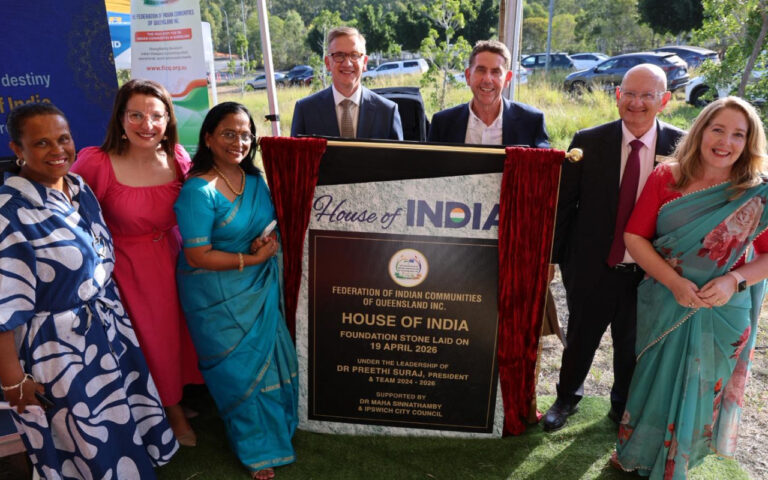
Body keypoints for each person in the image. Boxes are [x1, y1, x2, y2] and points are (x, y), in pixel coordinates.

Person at [0, 103, 177, 478]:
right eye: (42, 142)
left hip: (108, 327)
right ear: (18, 149)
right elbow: (3, 305)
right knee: (83, 435)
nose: (58, 150)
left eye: (63, 139)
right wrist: (13, 380)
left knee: (120, 420)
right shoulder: (9, 212)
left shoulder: (79, 189)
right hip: (58, 349)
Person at [613, 96, 768, 478]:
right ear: (700, 131)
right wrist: (675, 282)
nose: (726, 141)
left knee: (701, 388)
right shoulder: (667, 176)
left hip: (723, 310)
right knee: (654, 380)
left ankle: (679, 462)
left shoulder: (757, 192)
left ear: (748, 142)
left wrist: (734, 280)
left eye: (738, 134)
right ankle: (637, 454)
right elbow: (635, 237)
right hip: (665, 298)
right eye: (718, 129)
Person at [545, 64, 685, 431]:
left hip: (648, 272)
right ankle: (565, 399)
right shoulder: (588, 141)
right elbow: (564, 205)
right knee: (580, 339)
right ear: (617, 95)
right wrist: (557, 260)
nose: (636, 103)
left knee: (632, 345)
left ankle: (622, 405)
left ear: (664, 101)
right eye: (629, 94)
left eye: (647, 96)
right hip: (592, 266)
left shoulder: (682, 147)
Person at [71, 78, 204, 447]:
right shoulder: (96, 162)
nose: (147, 124)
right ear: (120, 119)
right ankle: (172, 413)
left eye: (156, 116)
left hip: (178, 259)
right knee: (154, 340)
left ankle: (175, 395)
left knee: (182, 334)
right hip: (130, 268)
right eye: (137, 115)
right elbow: (74, 218)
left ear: (168, 119)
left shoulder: (177, 157)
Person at [174, 102, 298, 480]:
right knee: (239, 373)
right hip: (214, 295)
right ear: (208, 138)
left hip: (258, 289)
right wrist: (252, 260)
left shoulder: (257, 181)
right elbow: (197, 255)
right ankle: (256, 449)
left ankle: (277, 431)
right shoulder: (199, 190)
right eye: (229, 133)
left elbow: (269, 225)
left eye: (246, 134)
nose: (239, 141)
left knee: (274, 361)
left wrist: (266, 248)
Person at [427, 40, 549, 148]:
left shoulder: (531, 122)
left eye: (496, 72)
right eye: (481, 70)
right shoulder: (442, 123)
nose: (487, 79)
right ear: (468, 76)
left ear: (507, 79)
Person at [290, 26, 403, 140]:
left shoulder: (387, 112)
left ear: (364, 62)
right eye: (339, 55)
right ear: (327, 63)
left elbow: (399, 157)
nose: (347, 63)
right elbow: (295, 157)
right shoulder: (305, 111)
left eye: (354, 55)